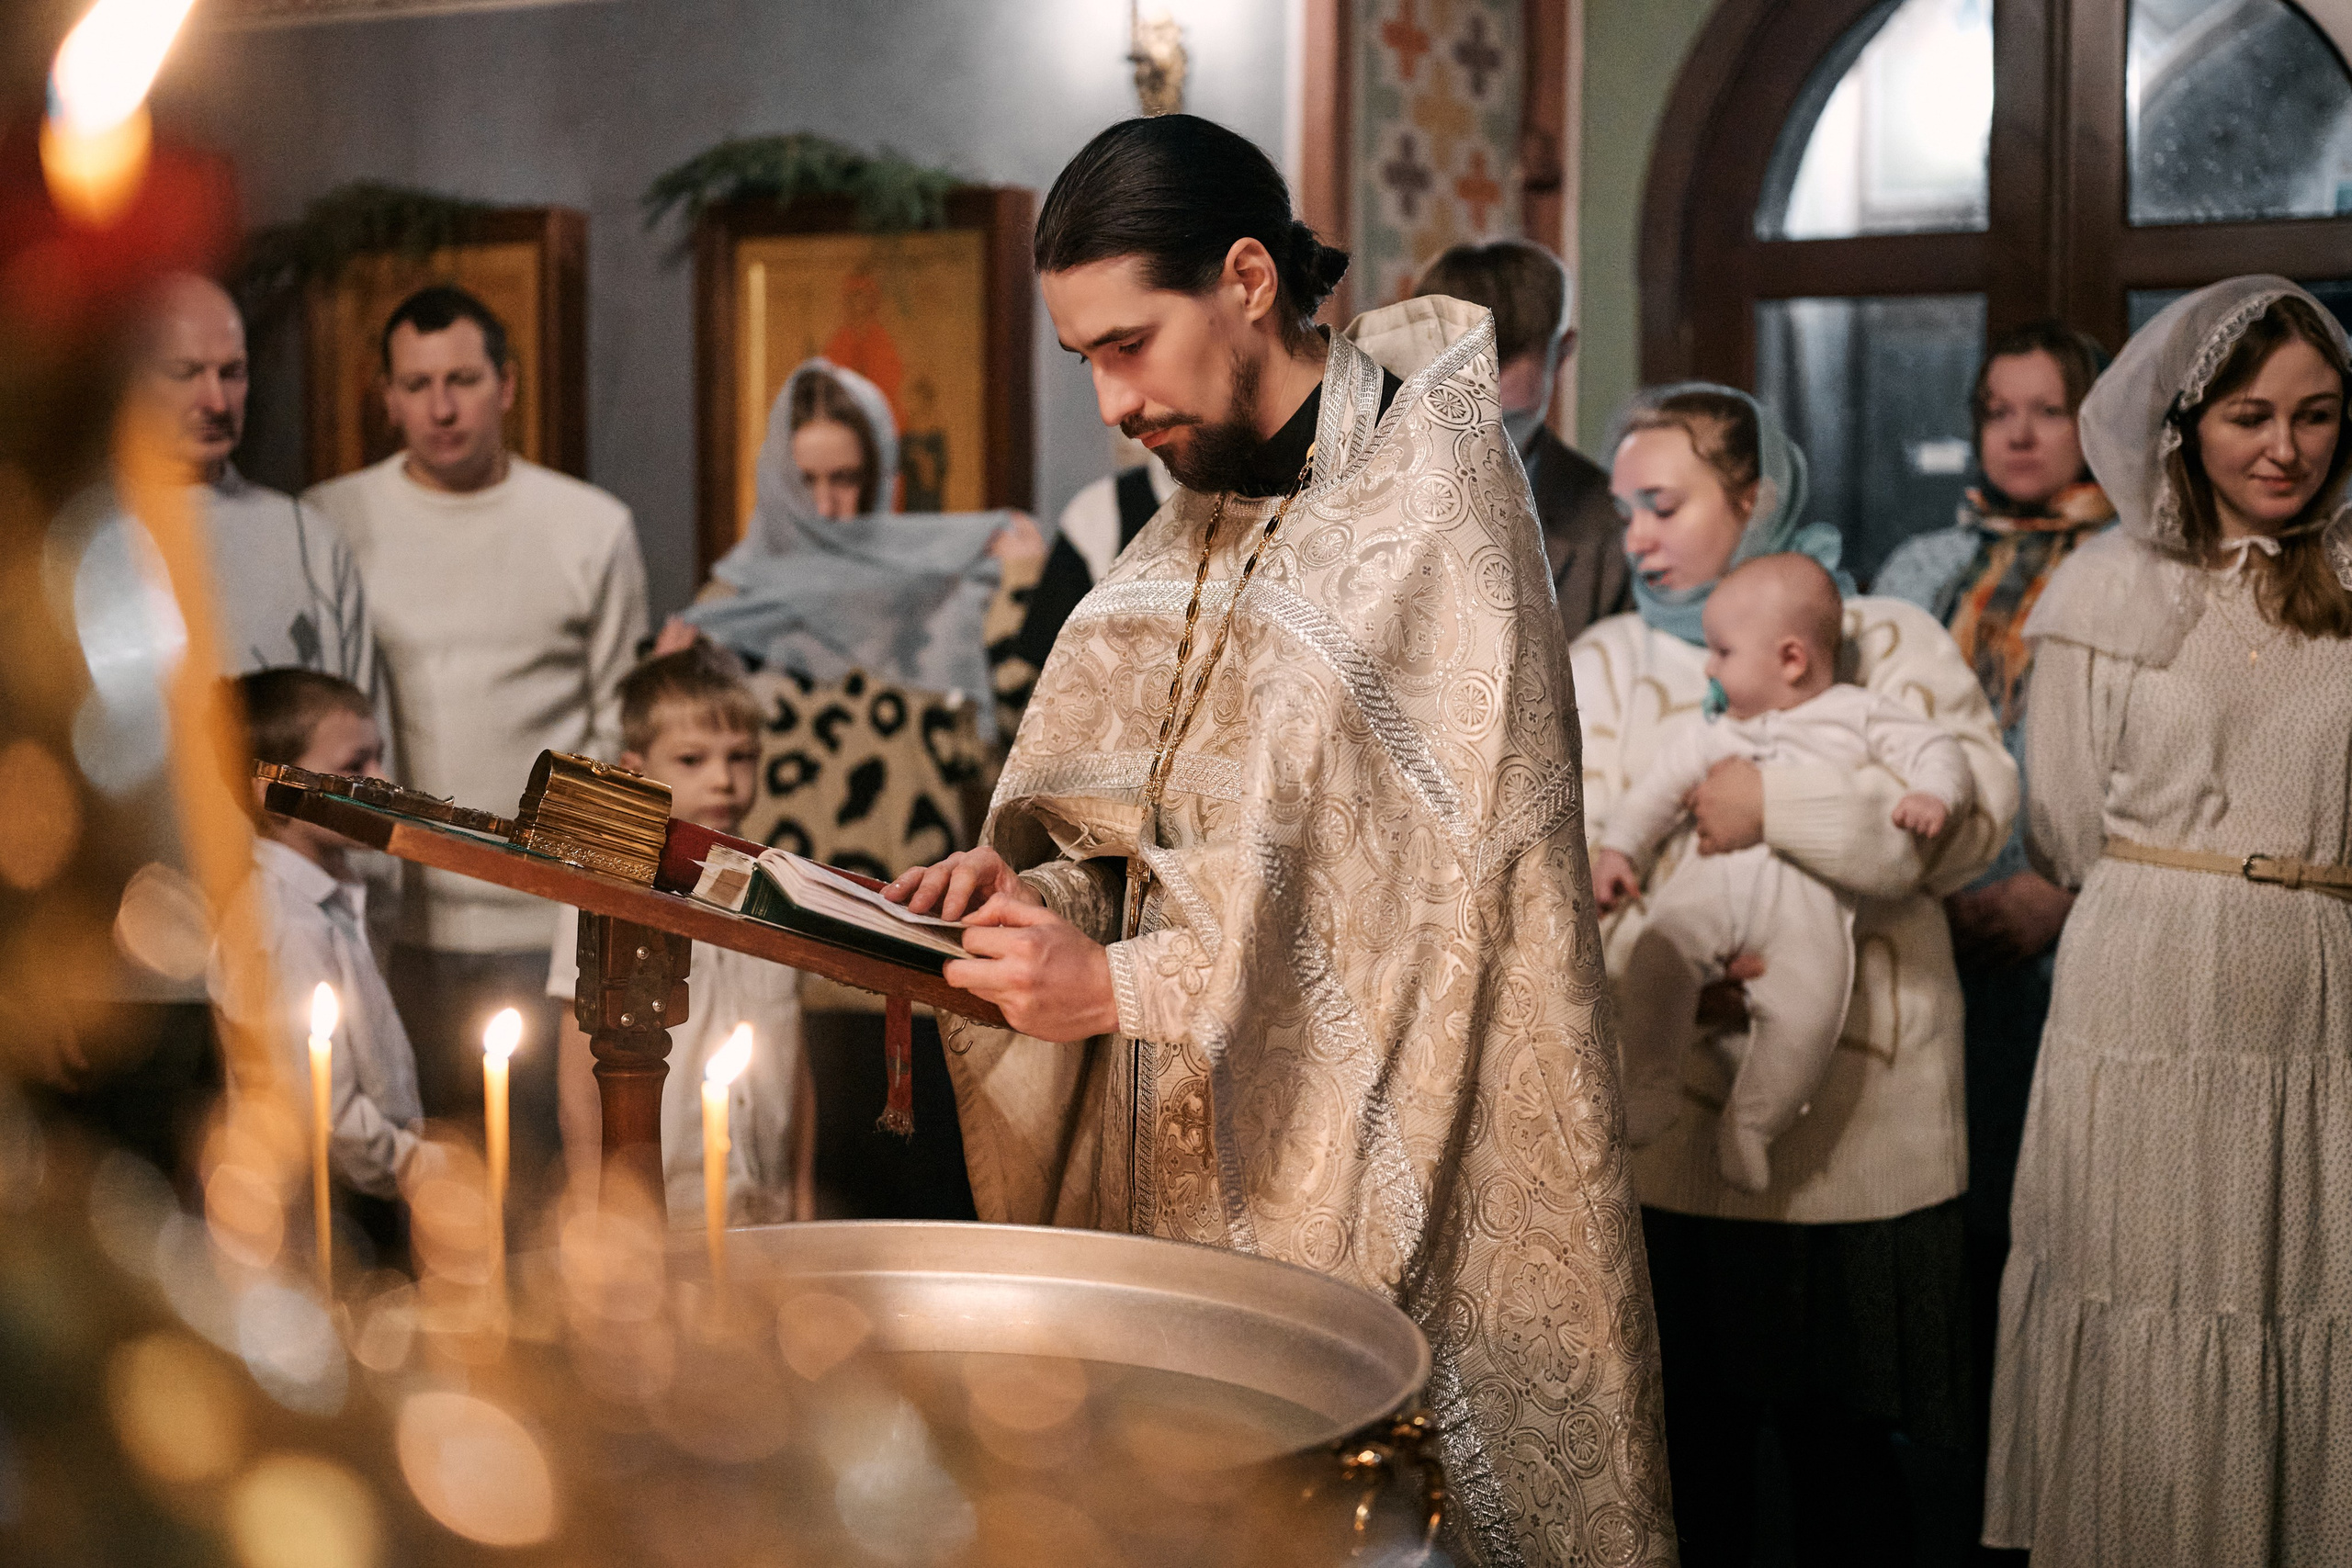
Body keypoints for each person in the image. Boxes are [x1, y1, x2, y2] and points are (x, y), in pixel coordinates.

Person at [879, 114, 1671, 1568]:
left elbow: (1417, 915)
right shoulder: (1193, 519)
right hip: (1170, 1169)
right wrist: (1028, 886)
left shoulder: (1431, 520)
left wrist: (1112, 988)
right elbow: (1150, 840)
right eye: (1087, 362)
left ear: (1248, 276)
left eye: (1130, 344)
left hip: (1391, 1174)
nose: (1113, 402)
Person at [1571, 384, 2017, 1562]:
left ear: (1755, 495)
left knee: (1848, 1478)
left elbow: (1964, 828)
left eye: (1663, 504)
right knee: (1686, 1464)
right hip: (1666, 1146)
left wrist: (1779, 801)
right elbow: (1553, 868)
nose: (1639, 537)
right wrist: (1652, 965)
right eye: (1624, 512)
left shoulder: (1882, 637)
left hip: (1859, 1143)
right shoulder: (1600, 665)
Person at [1984, 276, 2352, 1562]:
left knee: (2295, 1287)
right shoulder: (2108, 585)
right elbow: (2067, 823)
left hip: (2318, 979)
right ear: (2189, 424)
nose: (2286, 447)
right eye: (2251, 414)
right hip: (2140, 969)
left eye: (2316, 414)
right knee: (2142, 1277)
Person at [304, 284, 649, 1190]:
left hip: (544, 927)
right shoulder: (333, 521)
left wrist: (585, 915)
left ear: (508, 383)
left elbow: (619, 732)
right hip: (387, 918)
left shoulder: (590, 527)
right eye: (416, 385)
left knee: (537, 1195)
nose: (441, 407)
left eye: (462, 379)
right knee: (414, 1202)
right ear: (385, 397)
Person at [1871, 317, 2110, 1538]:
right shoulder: (1921, 565)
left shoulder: (2133, 567)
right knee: (1943, 1226)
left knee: (2062, 1218)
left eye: (2048, 410)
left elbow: (2158, 771)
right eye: (1998, 410)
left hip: (2082, 935)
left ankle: (2061, 1489)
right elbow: (1872, 724)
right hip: (1932, 919)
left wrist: (2059, 887)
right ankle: (1948, 1498)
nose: (2019, 433)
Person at [1592, 553, 1975, 1194]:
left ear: (1791, 659)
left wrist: (1935, 793)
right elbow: (1654, 793)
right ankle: (1650, 1083)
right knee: (1659, 963)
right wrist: (1619, 851)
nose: (1709, 667)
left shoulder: (1855, 713)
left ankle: (1755, 1122)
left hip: (1806, 913)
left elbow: (1936, 749)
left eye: (1722, 651)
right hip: (1704, 893)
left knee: (1810, 1009)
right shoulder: (1712, 733)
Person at [547, 645, 814, 1225]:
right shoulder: (606, 886)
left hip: (762, 1209)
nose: (723, 780)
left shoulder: (781, 886)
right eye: (692, 759)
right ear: (638, 767)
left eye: (741, 757)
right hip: (661, 1210)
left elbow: (795, 1061)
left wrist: (802, 1195)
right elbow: (577, 1066)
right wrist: (599, 1206)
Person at [213, 669, 426, 1265]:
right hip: (319, 1235)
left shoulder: (327, 899)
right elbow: (326, 1115)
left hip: (359, 1213)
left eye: (379, 758)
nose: (383, 783)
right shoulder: (284, 922)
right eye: (356, 765)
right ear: (270, 788)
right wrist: (427, 1167)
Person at [1415, 239, 1631, 642]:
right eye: (1457, 359)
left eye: (1503, 358)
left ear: (1562, 353)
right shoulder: (1360, 491)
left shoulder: (1611, 525)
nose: (1476, 384)